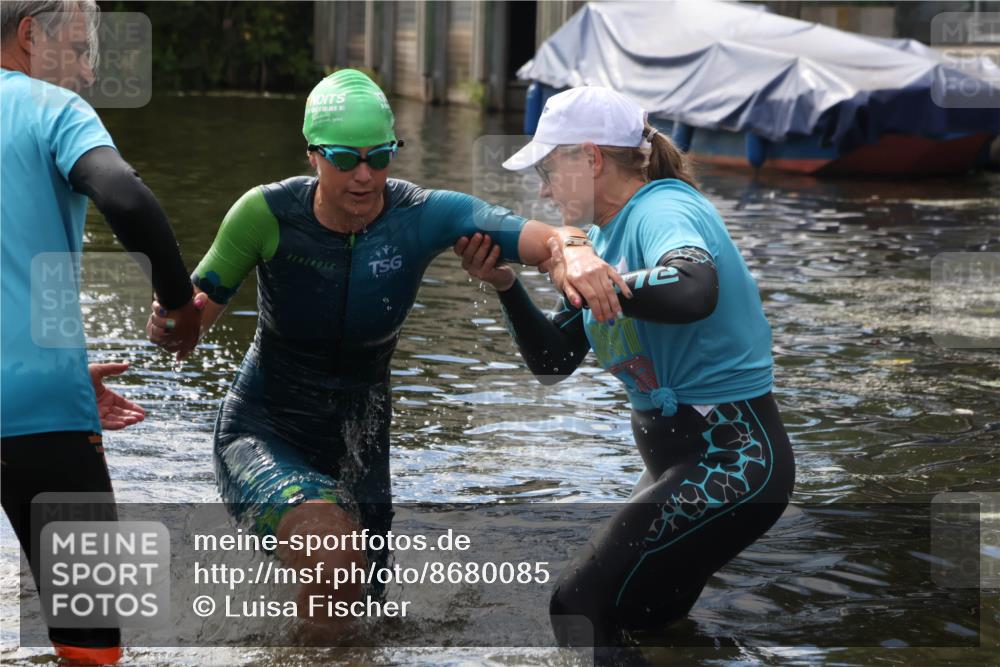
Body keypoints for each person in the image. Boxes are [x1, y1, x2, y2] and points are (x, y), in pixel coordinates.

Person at [145, 69, 627, 622]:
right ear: (313, 156)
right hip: (263, 433)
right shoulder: (264, 214)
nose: (364, 176)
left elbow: (542, 238)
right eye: (346, 159)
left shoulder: (421, 216)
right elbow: (192, 323)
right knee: (335, 559)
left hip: (362, 446)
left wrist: (576, 252)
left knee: (365, 619)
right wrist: (173, 324)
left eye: (380, 156)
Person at [454, 85, 796, 648]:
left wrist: (601, 282)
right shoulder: (600, 239)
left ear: (590, 157)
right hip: (684, 465)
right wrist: (506, 285)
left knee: (577, 607)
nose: (541, 188)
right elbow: (552, 360)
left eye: (547, 168)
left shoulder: (663, 206)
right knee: (641, 624)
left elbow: (694, 287)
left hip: (736, 459)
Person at [1, 2, 202, 664]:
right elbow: (124, 195)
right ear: (31, 35)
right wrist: (179, 307)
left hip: (43, 390)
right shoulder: (49, 110)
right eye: (81, 50)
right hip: (37, 412)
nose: (88, 73)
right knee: (90, 647)